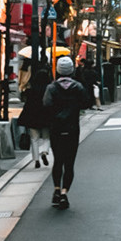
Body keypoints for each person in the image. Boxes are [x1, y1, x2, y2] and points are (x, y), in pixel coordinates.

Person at [43, 56, 87, 210]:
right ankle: (64, 193)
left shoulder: (51, 88)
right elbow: (85, 103)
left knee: (58, 160)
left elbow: (46, 105)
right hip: (72, 128)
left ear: (58, 70)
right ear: (71, 70)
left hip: (56, 128)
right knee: (69, 163)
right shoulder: (78, 87)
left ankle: (56, 189)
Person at [17, 66, 52, 169]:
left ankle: (36, 159)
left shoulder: (31, 91)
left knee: (34, 139)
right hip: (46, 116)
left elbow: (27, 104)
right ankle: (45, 152)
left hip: (33, 117)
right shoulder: (49, 89)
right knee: (46, 137)